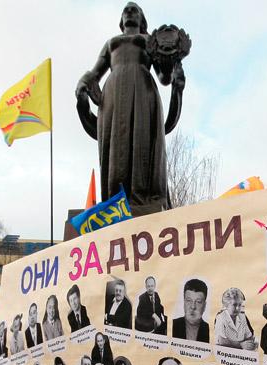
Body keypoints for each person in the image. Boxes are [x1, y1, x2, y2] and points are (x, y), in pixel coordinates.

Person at [75, 2, 186, 211]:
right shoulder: (111, 43)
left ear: (142, 19)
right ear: (121, 19)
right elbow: (95, 73)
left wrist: (171, 68)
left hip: (143, 90)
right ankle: (116, 199)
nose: (129, 12)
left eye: (134, 10)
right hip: (113, 95)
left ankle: (143, 196)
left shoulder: (149, 40)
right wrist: (82, 83)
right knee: (117, 145)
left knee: (142, 140)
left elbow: (163, 77)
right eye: (126, 10)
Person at [172, 278, 210, 342]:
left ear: (204, 305)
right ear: (184, 302)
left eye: (198, 302)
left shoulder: (211, 330)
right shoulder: (172, 325)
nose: (193, 307)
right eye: (189, 300)